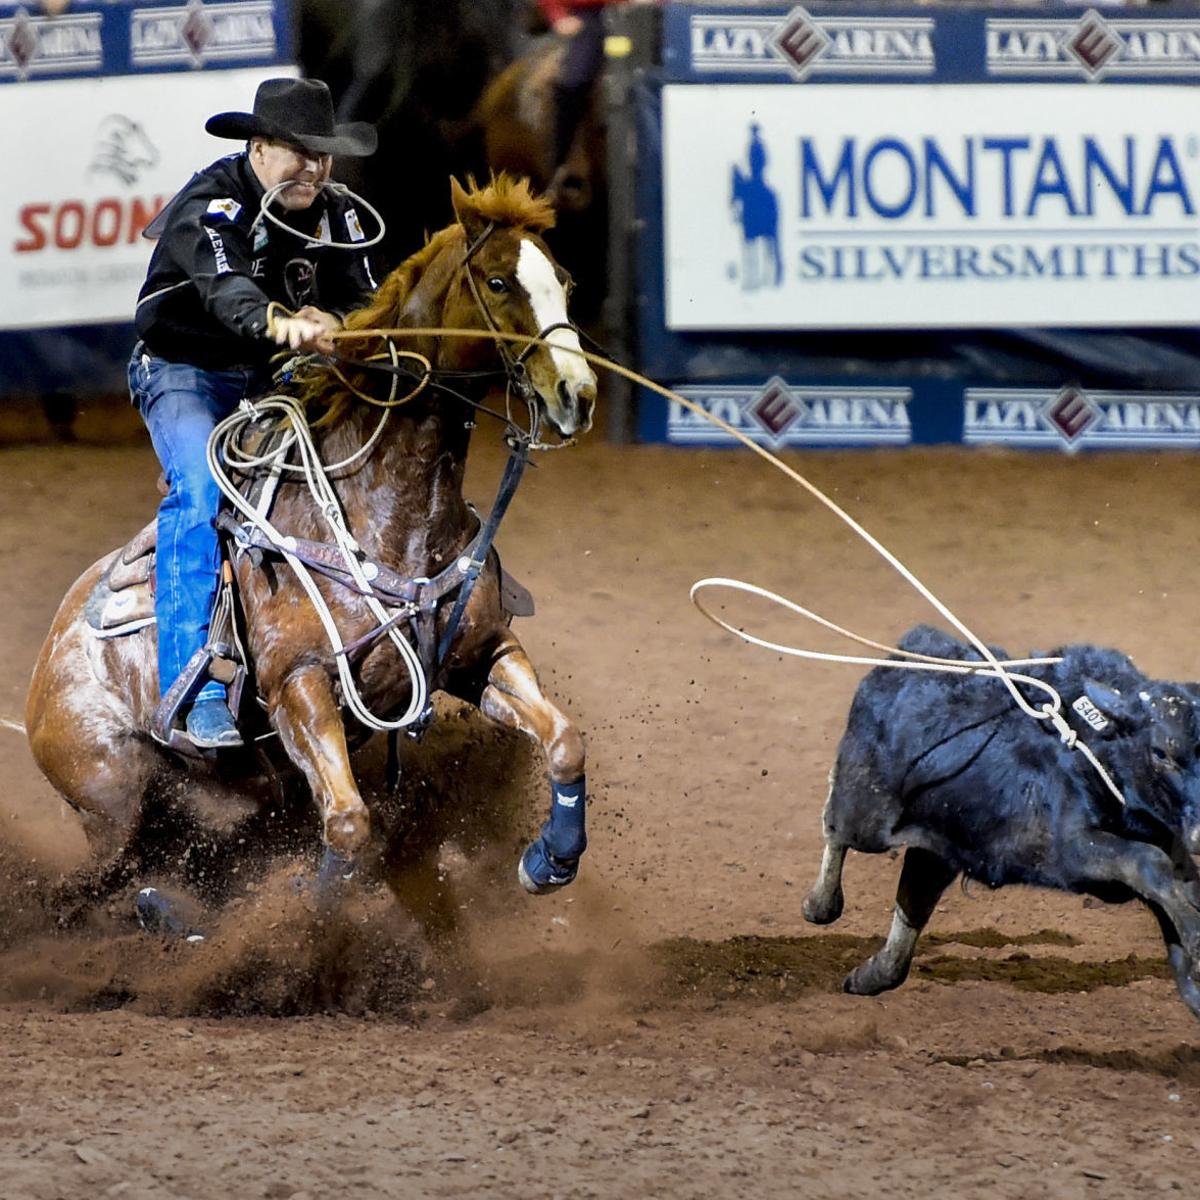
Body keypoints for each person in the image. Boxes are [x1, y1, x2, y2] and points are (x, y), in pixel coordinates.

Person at [130, 77, 378, 749]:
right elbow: (227, 289)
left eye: (322, 155)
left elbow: (367, 300)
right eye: (299, 153)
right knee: (199, 489)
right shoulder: (212, 203)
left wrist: (344, 322)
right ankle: (192, 688)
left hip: (271, 377)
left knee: (349, 466)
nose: (314, 169)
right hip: (184, 371)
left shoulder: (339, 214)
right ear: (260, 149)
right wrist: (281, 322)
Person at [537, 0, 656, 194]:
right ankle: (561, 165)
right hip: (593, 18)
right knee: (574, 82)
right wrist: (558, 16)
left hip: (649, 15)